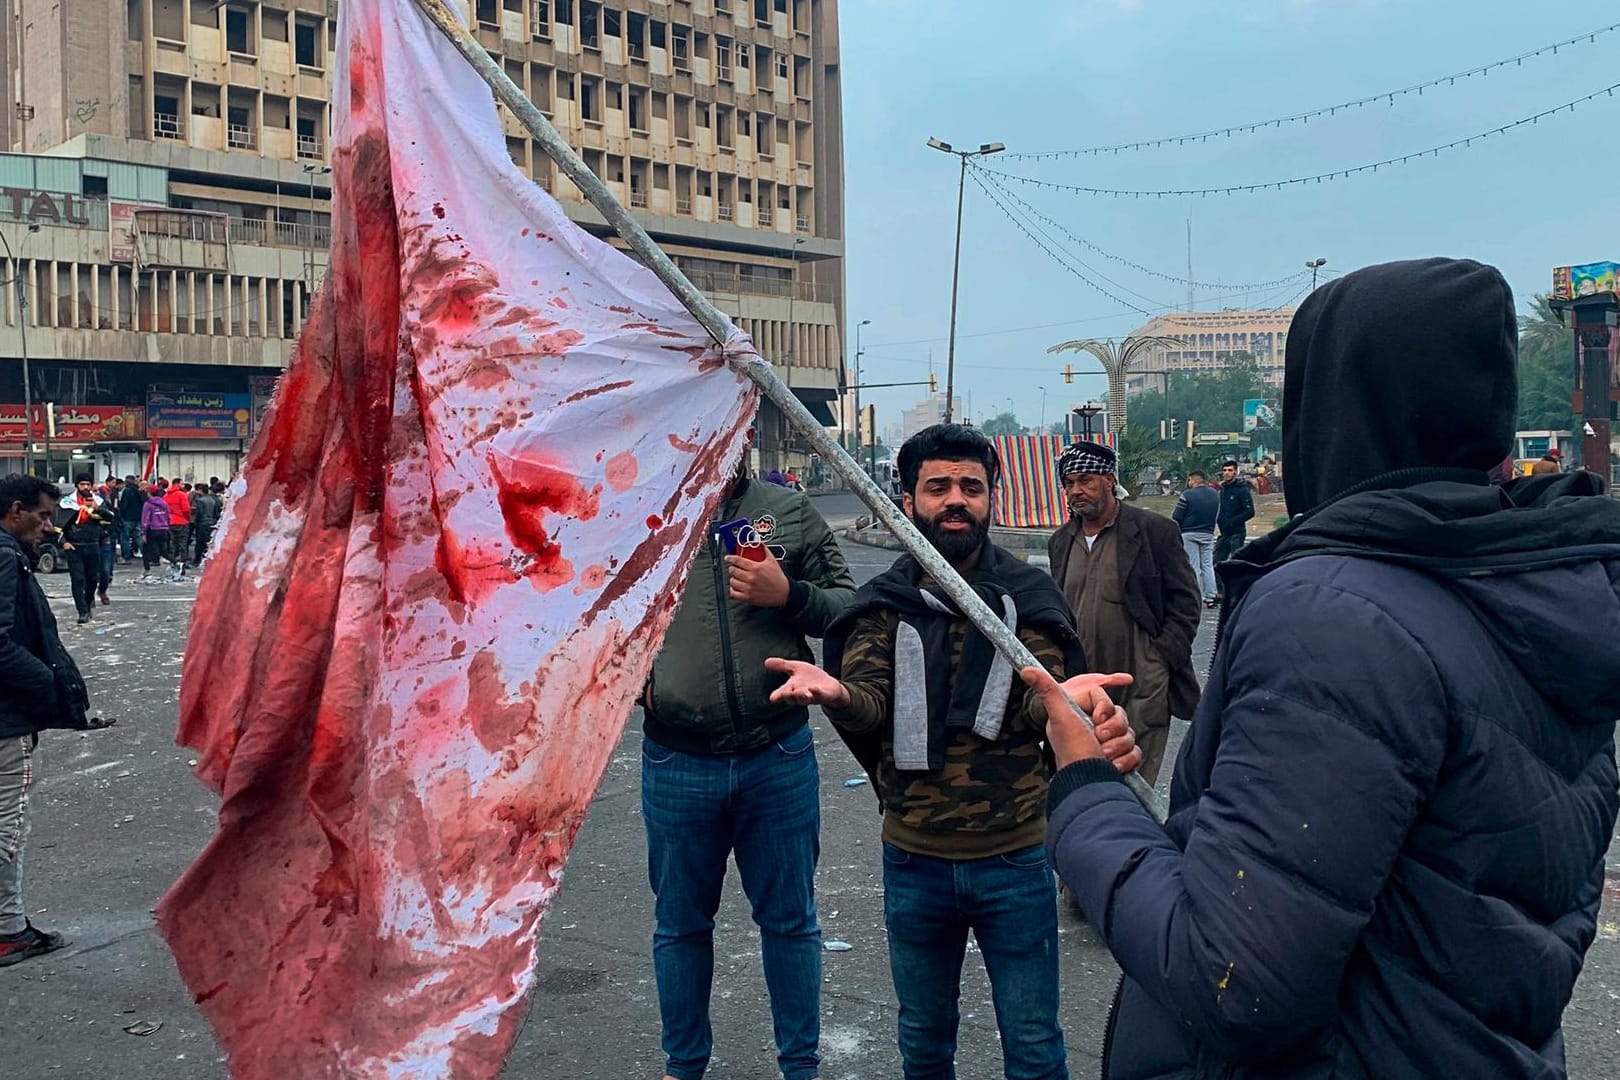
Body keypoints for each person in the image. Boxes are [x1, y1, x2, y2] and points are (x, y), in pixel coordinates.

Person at [1034, 258, 1620, 1079]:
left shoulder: (1334, 612)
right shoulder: (1544, 583)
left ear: (1335, 400)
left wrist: (1088, 792)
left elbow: (1235, 981)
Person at [764, 424, 1137, 1080]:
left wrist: (1065, 701)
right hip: (915, 861)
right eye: (938, 487)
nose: (955, 500)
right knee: (925, 1039)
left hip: (1014, 859)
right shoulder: (885, 606)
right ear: (908, 499)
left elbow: (1036, 696)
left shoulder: (1025, 598)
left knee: (1033, 1044)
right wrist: (839, 695)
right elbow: (872, 702)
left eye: (971, 486)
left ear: (993, 497)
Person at [638, 454, 855, 1080]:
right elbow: (586, 606)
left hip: (775, 754)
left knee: (790, 923)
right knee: (679, 926)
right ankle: (684, 1067)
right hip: (678, 756)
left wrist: (790, 595)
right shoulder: (642, 516)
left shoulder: (785, 510)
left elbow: (849, 605)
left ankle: (800, 1067)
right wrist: (634, 684)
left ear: (746, 427)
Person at [1, 473, 114, 967]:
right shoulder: (5, 558)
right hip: (6, 721)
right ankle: (8, 930)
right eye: (43, 515)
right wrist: (49, 683)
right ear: (15, 509)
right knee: (8, 829)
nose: (48, 526)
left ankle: (10, 928)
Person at [1048, 440, 1201, 785]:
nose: (1076, 491)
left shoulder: (1153, 532)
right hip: (1084, 684)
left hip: (1140, 682)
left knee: (1134, 783)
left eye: (1085, 480)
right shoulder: (1061, 541)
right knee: (1087, 780)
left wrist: (1158, 659)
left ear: (1109, 479)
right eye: (1069, 483)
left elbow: (1186, 602)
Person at [57, 475, 116, 625]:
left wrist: (97, 510)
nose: (85, 487)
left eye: (88, 484)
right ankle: (82, 611)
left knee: (92, 579)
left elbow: (110, 519)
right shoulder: (66, 503)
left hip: (93, 545)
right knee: (78, 580)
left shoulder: (99, 501)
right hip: (74, 546)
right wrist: (63, 542)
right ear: (77, 486)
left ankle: (88, 602)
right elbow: (57, 525)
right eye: (82, 484)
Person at [1171, 469, 1220, 607]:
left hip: (1189, 533)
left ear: (1195, 480)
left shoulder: (1187, 495)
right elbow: (1217, 514)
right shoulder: (1215, 494)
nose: (1189, 482)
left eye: (1190, 480)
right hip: (1208, 533)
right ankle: (1210, 596)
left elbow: (1177, 516)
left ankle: (1194, 596)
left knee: (1193, 566)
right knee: (1207, 565)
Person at [1213, 458, 1254, 569]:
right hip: (1224, 533)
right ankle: (1219, 586)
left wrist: (1232, 521)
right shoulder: (1222, 490)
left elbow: (1250, 512)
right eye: (1225, 470)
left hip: (1237, 533)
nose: (1227, 473)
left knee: (1235, 564)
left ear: (1235, 472)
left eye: (1230, 470)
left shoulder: (1242, 490)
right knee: (1216, 563)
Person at [140, 486, 172, 579]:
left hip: (152, 529)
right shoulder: (164, 503)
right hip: (164, 529)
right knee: (164, 551)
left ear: (149, 493)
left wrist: (143, 532)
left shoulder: (148, 504)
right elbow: (168, 516)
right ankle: (176, 563)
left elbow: (145, 519)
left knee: (146, 550)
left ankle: (147, 570)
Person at [190, 482, 223, 565]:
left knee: (200, 543)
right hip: (211, 523)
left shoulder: (200, 501)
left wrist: (195, 522)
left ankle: (197, 560)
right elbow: (216, 513)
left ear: (201, 491)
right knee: (208, 542)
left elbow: (199, 514)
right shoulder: (214, 500)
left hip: (202, 524)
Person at [163, 480, 192, 569]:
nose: (183, 485)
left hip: (170, 522)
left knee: (173, 542)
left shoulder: (166, 495)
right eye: (182, 483)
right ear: (177, 484)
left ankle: (174, 560)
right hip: (181, 521)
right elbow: (186, 509)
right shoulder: (181, 495)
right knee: (183, 542)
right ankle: (184, 560)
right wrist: (188, 518)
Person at [116, 475, 144, 563]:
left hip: (127, 518)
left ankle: (126, 557)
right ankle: (147, 554)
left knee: (124, 538)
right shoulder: (138, 490)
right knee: (138, 537)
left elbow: (124, 505)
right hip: (138, 517)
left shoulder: (127, 491)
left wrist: (120, 513)